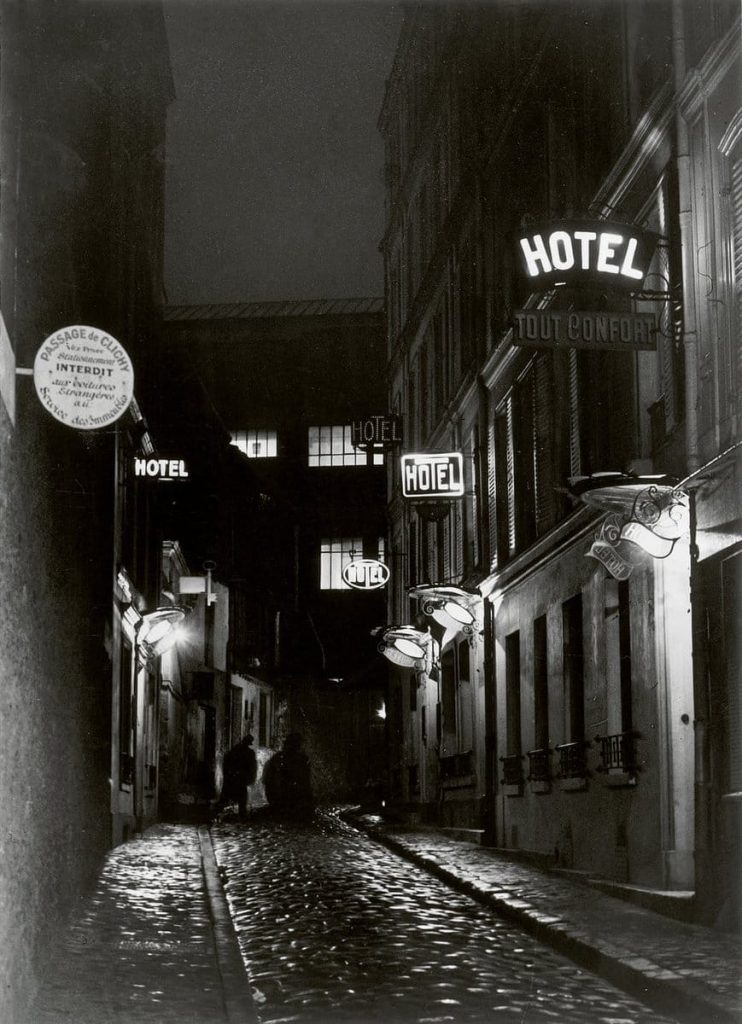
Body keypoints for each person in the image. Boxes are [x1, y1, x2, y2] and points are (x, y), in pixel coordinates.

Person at [263, 732, 314, 818]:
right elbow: (269, 779)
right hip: (283, 796)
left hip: (289, 797)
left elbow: (305, 781)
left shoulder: (301, 758)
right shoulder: (279, 758)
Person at [215, 734, 257, 820]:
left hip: (235, 778)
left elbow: (226, 763)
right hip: (238, 778)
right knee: (240, 798)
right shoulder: (246, 752)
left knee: (232, 797)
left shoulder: (235, 750)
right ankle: (240, 815)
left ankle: (220, 813)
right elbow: (252, 767)